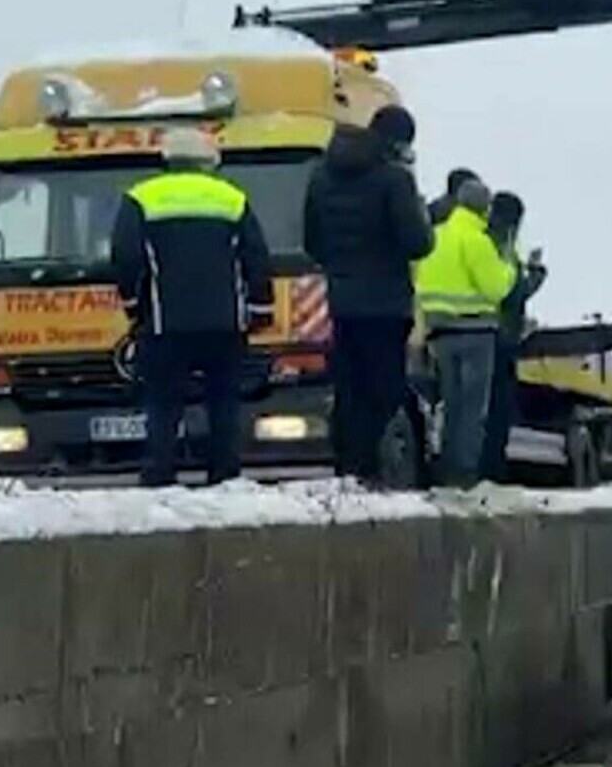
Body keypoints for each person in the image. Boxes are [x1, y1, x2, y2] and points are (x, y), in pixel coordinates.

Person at [110, 127, 273, 487]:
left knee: (163, 403)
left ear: (165, 160)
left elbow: (125, 256)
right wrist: (260, 309)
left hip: (164, 323)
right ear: (208, 162)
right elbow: (256, 257)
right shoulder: (231, 198)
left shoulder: (140, 198)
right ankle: (224, 473)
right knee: (223, 402)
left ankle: (160, 472)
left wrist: (134, 306)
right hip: (224, 323)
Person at [302, 104, 434, 486]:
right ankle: (375, 469)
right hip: (387, 304)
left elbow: (312, 241)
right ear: (397, 141)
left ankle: (349, 469)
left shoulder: (321, 176)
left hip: (342, 302)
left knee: (350, 389)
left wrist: (342, 267)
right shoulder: (394, 180)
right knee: (385, 390)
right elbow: (416, 243)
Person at [415, 178, 517, 487]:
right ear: (483, 207)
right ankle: (465, 473)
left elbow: (421, 284)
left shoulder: (437, 236)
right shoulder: (477, 240)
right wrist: (510, 266)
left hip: (440, 333)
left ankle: (445, 468)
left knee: (451, 405)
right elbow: (497, 287)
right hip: (476, 332)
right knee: (473, 409)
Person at [479, 190, 549, 482]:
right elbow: (513, 293)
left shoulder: (484, 239)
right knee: (497, 409)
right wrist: (535, 273)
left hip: (479, 332)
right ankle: (492, 470)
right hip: (500, 337)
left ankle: (483, 467)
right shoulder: (501, 247)